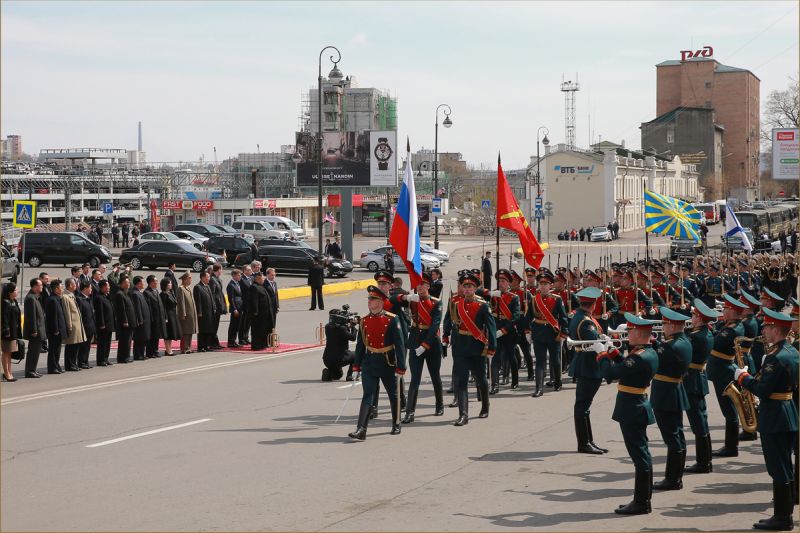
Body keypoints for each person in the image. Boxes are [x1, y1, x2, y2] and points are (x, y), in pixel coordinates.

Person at [735, 307, 798, 531]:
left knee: (777, 467)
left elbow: (761, 389)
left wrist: (743, 377)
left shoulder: (776, 357)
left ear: (775, 329)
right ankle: (785, 513)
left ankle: (782, 517)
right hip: (787, 411)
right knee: (784, 466)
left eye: (767, 326)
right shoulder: (791, 351)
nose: (764, 329)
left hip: (775, 416)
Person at [597, 312, 659, 515]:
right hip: (636, 405)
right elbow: (626, 367)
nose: (627, 334)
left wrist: (602, 355)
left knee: (639, 456)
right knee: (642, 454)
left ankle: (641, 502)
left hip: (632, 408)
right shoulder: (644, 352)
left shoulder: (639, 357)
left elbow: (611, 373)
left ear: (640, 333)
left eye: (630, 330)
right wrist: (614, 353)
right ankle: (642, 500)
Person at [348, 285, 407, 440]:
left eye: (373, 299)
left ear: (381, 301)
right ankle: (361, 429)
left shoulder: (392, 319)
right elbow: (361, 345)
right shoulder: (364, 320)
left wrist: (401, 367)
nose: (369, 301)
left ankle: (396, 423)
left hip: (387, 361)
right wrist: (356, 366)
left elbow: (399, 344)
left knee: (393, 395)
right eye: (369, 298)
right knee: (368, 394)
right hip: (369, 362)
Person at [443, 271, 497, 427]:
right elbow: (450, 320)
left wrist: (492, 347)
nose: (466, 289)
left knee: (481, 379)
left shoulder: (483, 305)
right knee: (461, 382)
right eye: (464, 286)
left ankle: (485, 406)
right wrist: (446, 336)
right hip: (460, 346)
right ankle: (463, 415)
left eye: (470, 286)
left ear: (475, 288)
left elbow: (491, 328)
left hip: (476, 347)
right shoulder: (455, 303)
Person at [650, 306, 693, 491]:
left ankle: (673, 478)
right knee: (677, 435)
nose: (664, 327)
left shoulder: (670, 345)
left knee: (672, 437)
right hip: (674, 390)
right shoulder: (684, 341)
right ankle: (676, 476)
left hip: (665, 394)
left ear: (673, 325)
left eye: (665, 324)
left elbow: (655, 360)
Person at [569, 286, 610, 455]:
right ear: (594, 304)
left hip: (586, 365)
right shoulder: (585, 321)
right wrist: (605, 341)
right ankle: (584, 443)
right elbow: (594, 342)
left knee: (584, 406)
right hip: (589, 366)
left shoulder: (581, 316)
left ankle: (588, 440)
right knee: (583, 406)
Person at [707, 294, 747, 457]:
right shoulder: (731, 325)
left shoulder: (732, 329)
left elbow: (715, 342)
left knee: (729, 411)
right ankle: (730, 445)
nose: (723, 310)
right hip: (722, 369)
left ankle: (731, 447)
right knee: (728, 410)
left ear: (732, 311)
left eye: (725, 308)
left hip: (723, 371)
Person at [401, 272, 445, 422]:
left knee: (435, 376)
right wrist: (406, 297)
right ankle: (410, 412)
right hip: (415, 341)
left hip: (431, 343)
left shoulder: (436, 302)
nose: (419, 287)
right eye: (418, 284)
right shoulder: (412, 300)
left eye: (423, 284)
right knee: (415, 379)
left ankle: (439, 404)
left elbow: (434, 326)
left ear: (428, 286)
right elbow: (392, 300)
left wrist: (425, 345)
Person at [684, 298, 720, 474]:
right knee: (701, 420)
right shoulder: (706, 333)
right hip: (698, 377)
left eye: (693, 315)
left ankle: (703, 462)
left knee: (698, 422)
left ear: (698, 318)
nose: (691, 318)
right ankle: (705, 460)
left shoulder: (696, 336)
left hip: (692, 380)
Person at [528, 268, 568, 396]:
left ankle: (557, 381)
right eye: (541, 284)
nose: (543, 286)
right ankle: (539, 388)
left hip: (553, 332)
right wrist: (527, 331)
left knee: (555, 360)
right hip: (538, 333)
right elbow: (528, 316)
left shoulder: (557, 299)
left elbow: (563, 317)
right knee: (540, 361)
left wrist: (563, 333)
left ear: (550, 285)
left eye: (546, 284)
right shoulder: (534, 299)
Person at [479, 269, 520, 394]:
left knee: (510, 356)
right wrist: (490, 293)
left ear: (508, 283)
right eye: (499, 281)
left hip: (508, 331)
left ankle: (515, 380)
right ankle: (494, 385)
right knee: (495, 358)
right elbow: (478, 291)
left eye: (503, 281)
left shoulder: (514, 297)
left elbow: (515, 316)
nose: (501, 283)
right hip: (495, 330)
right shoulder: (493, 294)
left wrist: (504, 330)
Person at [322, 309, 358, 381]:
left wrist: (347, 326)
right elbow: (353, 337)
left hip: (327, 359)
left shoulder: (327, 327)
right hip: (339, 359)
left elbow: (339, 331)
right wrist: (353, 326)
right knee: (357, 355)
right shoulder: (342, 329)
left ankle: (329, 373)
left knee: (338, 375)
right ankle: (350, 376)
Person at [22, 278, 46, 378]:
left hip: (38, 329)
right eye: (40, 285)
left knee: (36, 351)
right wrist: (34, 330)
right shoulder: (31, 298)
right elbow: (31, 316)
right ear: (35, 286)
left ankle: (33, 369)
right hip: (35, 331)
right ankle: (29, 371)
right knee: (33, 351)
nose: (42, 287)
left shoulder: (35, 297)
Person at [61, 278, 86, 372]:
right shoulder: (65, 297)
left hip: (77, 324)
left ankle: (73, 363)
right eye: (75, 284)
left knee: (76, 346)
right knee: (71, 346)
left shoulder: (71, 295)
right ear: (70, 285)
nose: (76, 285)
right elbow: (67, 312)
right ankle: (69, 365)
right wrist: (69, 326)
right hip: (73, 325)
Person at [113, 275, 137, 364]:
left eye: (128, 282)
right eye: (127, 283)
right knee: (124, 340)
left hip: (131, 321)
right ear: (122, 284)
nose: (129, 284)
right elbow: (122, 310)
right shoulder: (119, 294)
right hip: (125, 322)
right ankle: (122, 357)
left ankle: (126, 356)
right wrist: (125, 321)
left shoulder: (127, 293)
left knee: (129, 340)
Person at [249, 271, 275, 351]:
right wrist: (255, 312)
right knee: (258, 330)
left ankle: (263, 344)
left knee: (264, 329)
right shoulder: (254, 287)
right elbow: (254, 300)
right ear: (258, 279)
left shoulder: (261, 286)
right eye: (262, 278)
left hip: (265, 313)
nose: (263, 279)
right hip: (259, 314)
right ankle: (257, 345)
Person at [45, 279, 67, 374]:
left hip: (59, 328)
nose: (62, 289)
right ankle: (52, 367)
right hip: (55, 330)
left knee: (57, 349)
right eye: (61, 287)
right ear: (56, 289)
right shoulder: (52, 300)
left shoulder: (57, 298)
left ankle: (56, 365)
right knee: (53, 349)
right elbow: (52, 317)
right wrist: (55, 329)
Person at [1, 282, 22, 382]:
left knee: (10, 353)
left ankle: (9, 372)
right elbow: (4, 319)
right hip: (7, 332)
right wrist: (6, 331)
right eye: (15, 290)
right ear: (10, 292)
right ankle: (6, 373)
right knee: (6, 352)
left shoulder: (14, 301)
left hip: (14, 331)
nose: (17, 291)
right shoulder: (5, 302)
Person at [93, 280, 115, 366]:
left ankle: (106, 358)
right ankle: (101, 360)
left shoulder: (107, 296)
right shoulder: (98, 297)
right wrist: (101, 324)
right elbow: (100, 312)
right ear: (102, 287)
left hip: (109, 324)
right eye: (107, 286)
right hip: (103, 325)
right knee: (102, 343)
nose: (109, 287)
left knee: (108, 342)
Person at [144, 275, 166, 358]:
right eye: (155, 281)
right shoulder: (147, 292)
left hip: (159, 317)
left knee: (156, 335)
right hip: (153, 318)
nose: (157, 282)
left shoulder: (156, 291)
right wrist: (151, 319)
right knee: (152, 336)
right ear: (151, 282)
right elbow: (148, 307)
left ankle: (155, 351)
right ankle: (150, 352)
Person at [74, 281, 95, 370]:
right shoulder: (79, 299)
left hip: (90, 326)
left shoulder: (88, 298)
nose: (91, 289)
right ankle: (81, 362)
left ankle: (85, 361)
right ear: (85, 288)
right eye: (90, 288)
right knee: (83, 347)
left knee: (87, 346)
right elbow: (80, 315)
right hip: (84, 326)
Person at [193, 271, 215, 353]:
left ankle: (206, 345)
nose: (209, 278)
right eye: (208, 277)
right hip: (202, 313)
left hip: (209, 312)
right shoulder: (198, 287)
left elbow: (211, 299)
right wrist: (199, 312)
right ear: (202, 277)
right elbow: (198, 301)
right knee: (202, 330)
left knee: (208, 329)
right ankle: (201, 346)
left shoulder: (207, 286)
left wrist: (214, 308)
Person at [130, 276, 150, 361]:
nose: (143, 284)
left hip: (145, 319)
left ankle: (142, 353)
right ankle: (138, 355)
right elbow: (137, 308)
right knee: (139, 338)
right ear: (138, 283)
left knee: (143, 338)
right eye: (142, 282)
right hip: (141, 320)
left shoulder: (139, 293)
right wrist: (140, 319)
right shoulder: (134, 293)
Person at [177, 272, 197, 354]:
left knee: (190, 331)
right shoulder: (181, 288)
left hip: (191, 314)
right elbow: (181, 302)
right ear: (185, 279)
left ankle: (188, 347)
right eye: (189, 278)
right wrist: (183, 313)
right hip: (186, 314)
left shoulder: (188, 288)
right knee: (185, 332)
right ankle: (184, 348)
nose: (191, 280)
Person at [159, 278, 181, 356]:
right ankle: (168, 349)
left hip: (173, 314)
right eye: (169, 283)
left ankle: (169, 348)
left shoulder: (171, 292)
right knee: (167, 333)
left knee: (171, 332)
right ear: (165, 285)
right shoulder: (163, 294)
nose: (171, 285)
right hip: (167, 315)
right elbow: (163, 307)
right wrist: (165, 317)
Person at [209, 264, 226, 350]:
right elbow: (212, 294)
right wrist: (214, 307)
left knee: (216, 325)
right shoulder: (212, 279)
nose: (222, 271)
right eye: (221, 269)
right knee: (214, 325)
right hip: (215, 306)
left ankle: (215, 342)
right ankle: (213, 343)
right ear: (218, 270)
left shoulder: (217, 279)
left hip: (219, 305)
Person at [227, 269, 244, 348]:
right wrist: (234, 309)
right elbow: (231, 299)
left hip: (240, 307)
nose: (240, 276)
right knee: (233, 325)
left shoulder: (237, 283)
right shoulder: (231, 285)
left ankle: (234, 341)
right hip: (236, 308)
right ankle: (231, 341)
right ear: (233, 275)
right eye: (238, 275)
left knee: (237, 325)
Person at [238, 265, 254, 345]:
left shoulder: (251, 278)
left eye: (251, 269)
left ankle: (246, 337)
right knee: (243, 323)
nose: (251, 271)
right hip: (244, 304)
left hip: (251, 304)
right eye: (249, 270)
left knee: (248, 323)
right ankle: (241, 339)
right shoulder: (242, 279)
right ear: (244, 271)